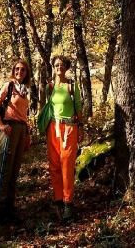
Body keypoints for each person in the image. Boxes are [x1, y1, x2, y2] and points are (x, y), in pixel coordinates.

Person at [0, 58, 32, 224]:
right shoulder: (8, 86)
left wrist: (28, 133)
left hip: (21, 130)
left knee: (15, 171)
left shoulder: (25, 90)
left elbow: (25, 114)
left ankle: (10, 210)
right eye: (17, 69)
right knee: (5, 171)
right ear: (13, 70)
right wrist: (1, 125)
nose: (19, 72)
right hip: (9, 129)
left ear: (26, 72)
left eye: (23, 70)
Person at [45, 55, 83, 221]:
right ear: (53, 67)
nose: (59, 67)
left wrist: (80, 127)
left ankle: (68, 203)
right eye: (56, 65)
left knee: (67, 164)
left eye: (62, 65)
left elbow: (79, 107)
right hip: (53, 128)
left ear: (66, 67)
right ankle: (58, 200)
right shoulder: (50, 86)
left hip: (69, 128)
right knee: (54, 165)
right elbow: (46, 107)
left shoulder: (72, 86)